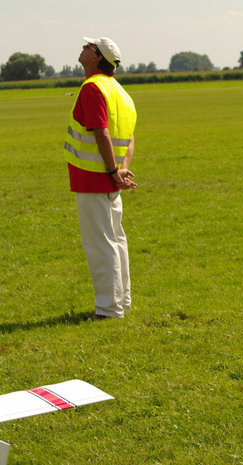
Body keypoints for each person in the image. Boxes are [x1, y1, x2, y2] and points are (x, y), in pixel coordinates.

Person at [64, 37, 137, 320]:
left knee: (100, 244)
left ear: (97, 58)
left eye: (88, 47)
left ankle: (108, 309)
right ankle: (122, 302)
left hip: (94, 177)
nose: (82, 48)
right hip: (109, 178)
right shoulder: (121, 92)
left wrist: (111, 171)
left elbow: (101, 131)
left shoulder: (92, 87)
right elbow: (129, 138)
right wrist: (120, 170)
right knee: (116, 240)